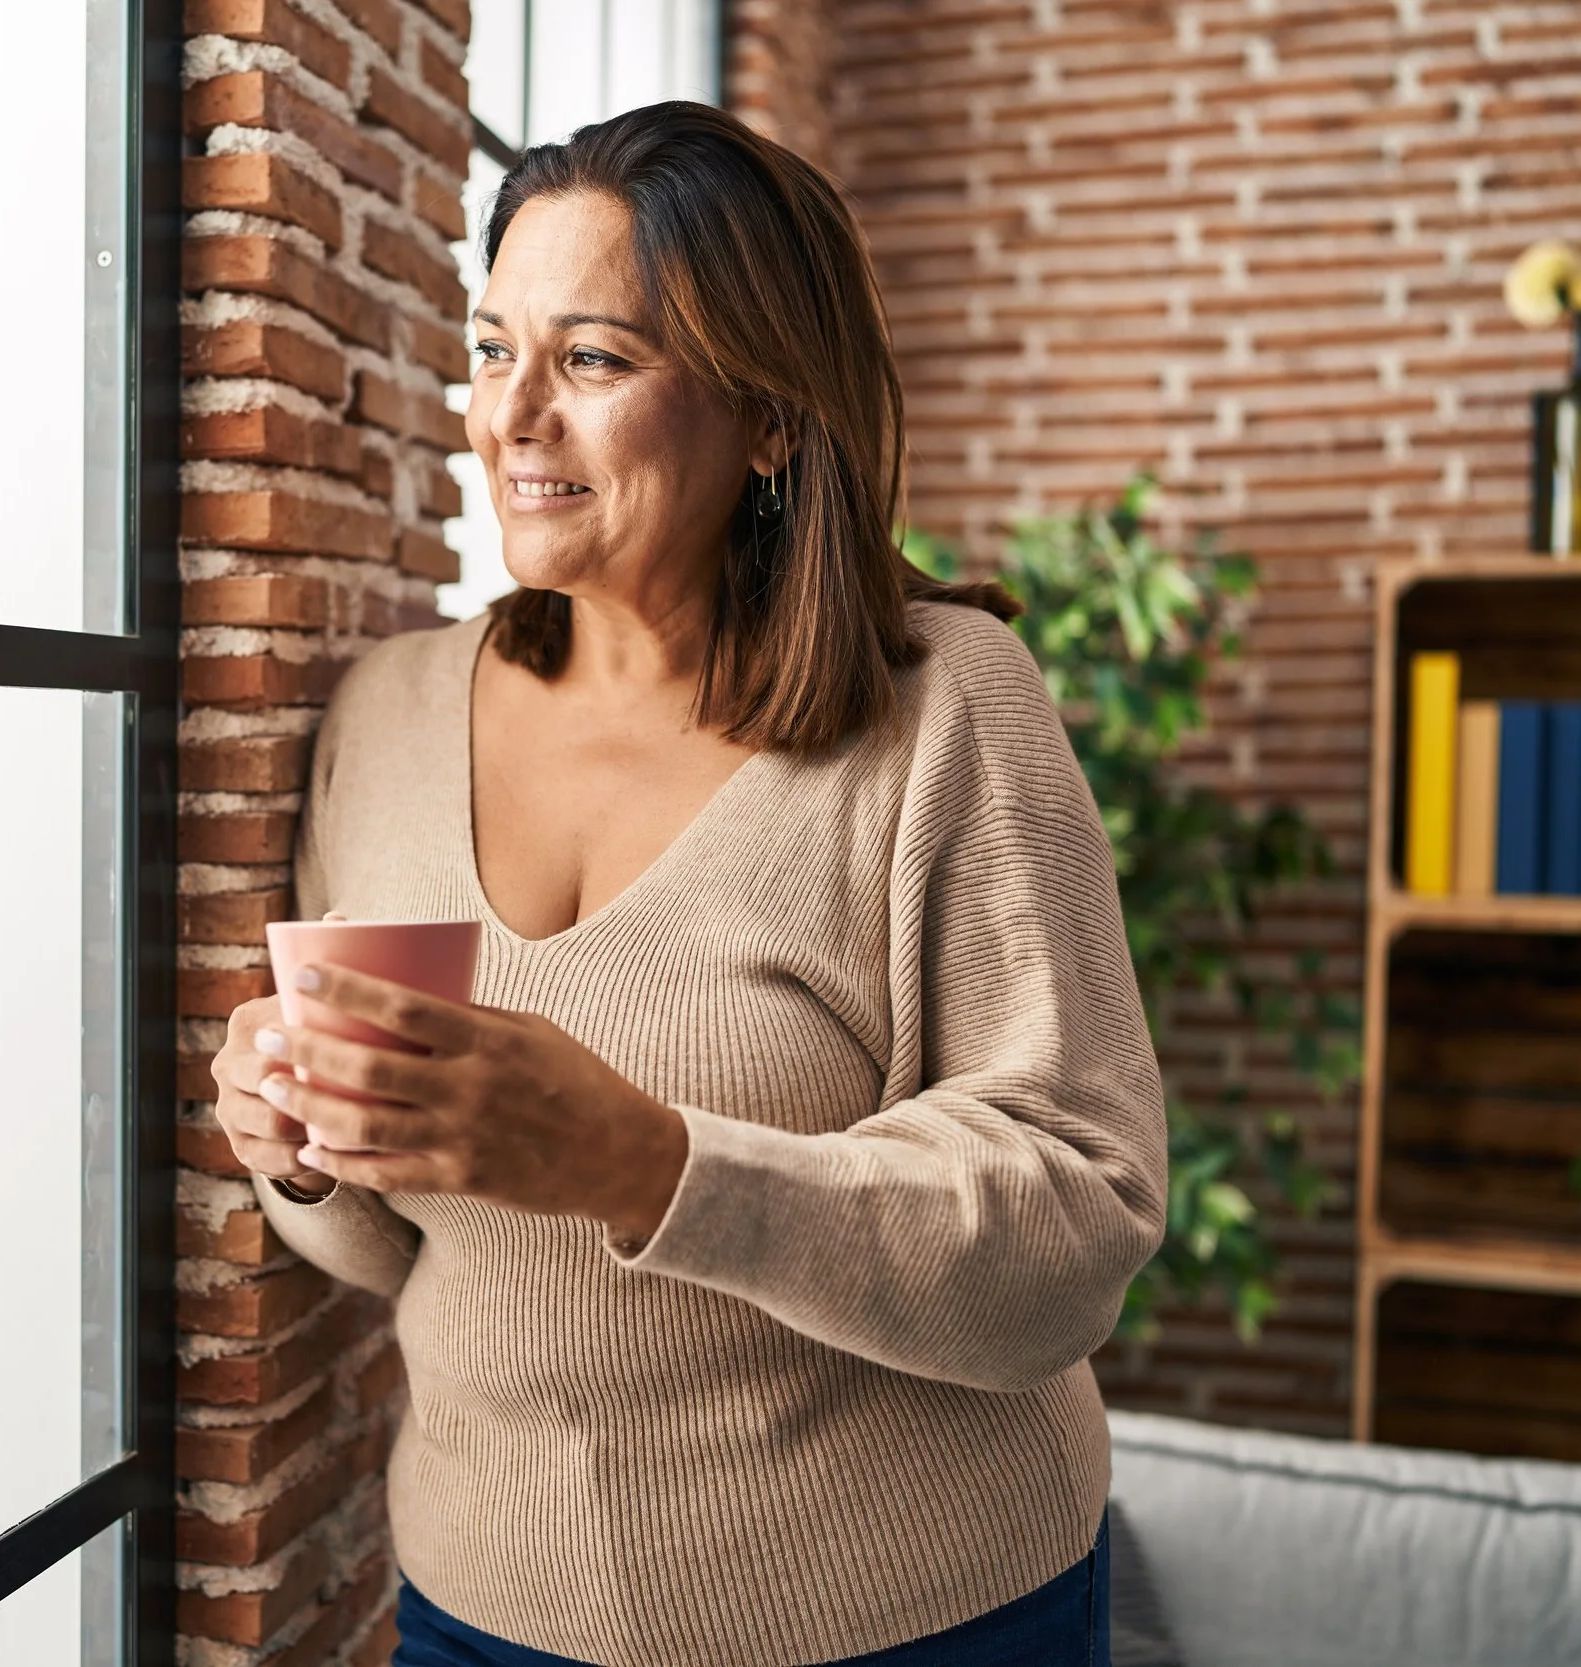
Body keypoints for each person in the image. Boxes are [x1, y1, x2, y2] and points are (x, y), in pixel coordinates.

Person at [210, 101, 1165, 1667]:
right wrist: (297, 1151)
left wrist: (648, 1164)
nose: (514, 418)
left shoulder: (944, 710)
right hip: (482, 1610)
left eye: (592, 360)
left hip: (913, 1617)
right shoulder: (380, 718)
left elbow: (1077, 1224)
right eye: (494, 347)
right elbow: (396, 1244)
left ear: (771, 416)